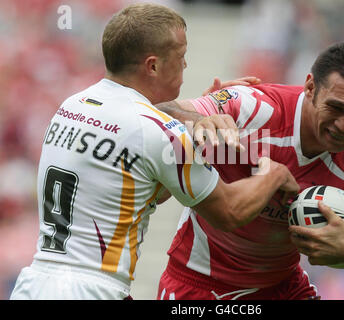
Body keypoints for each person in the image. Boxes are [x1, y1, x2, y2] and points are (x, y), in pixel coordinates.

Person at [9, 3, 298, 300]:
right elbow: (229, 212)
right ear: (153, 65)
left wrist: (200, 121)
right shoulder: (158, 130)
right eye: (181, 56)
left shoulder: (70, 106)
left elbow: (152, 188)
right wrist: (273, 174)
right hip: (94, 289)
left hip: (33, 284)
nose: (186, 65)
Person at [156, 42, 344, 300]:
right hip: (200, 283)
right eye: (336, 107)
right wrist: (201, 120)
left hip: (283, 287)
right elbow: (159, 112)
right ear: (310, 87)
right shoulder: (254, 108)